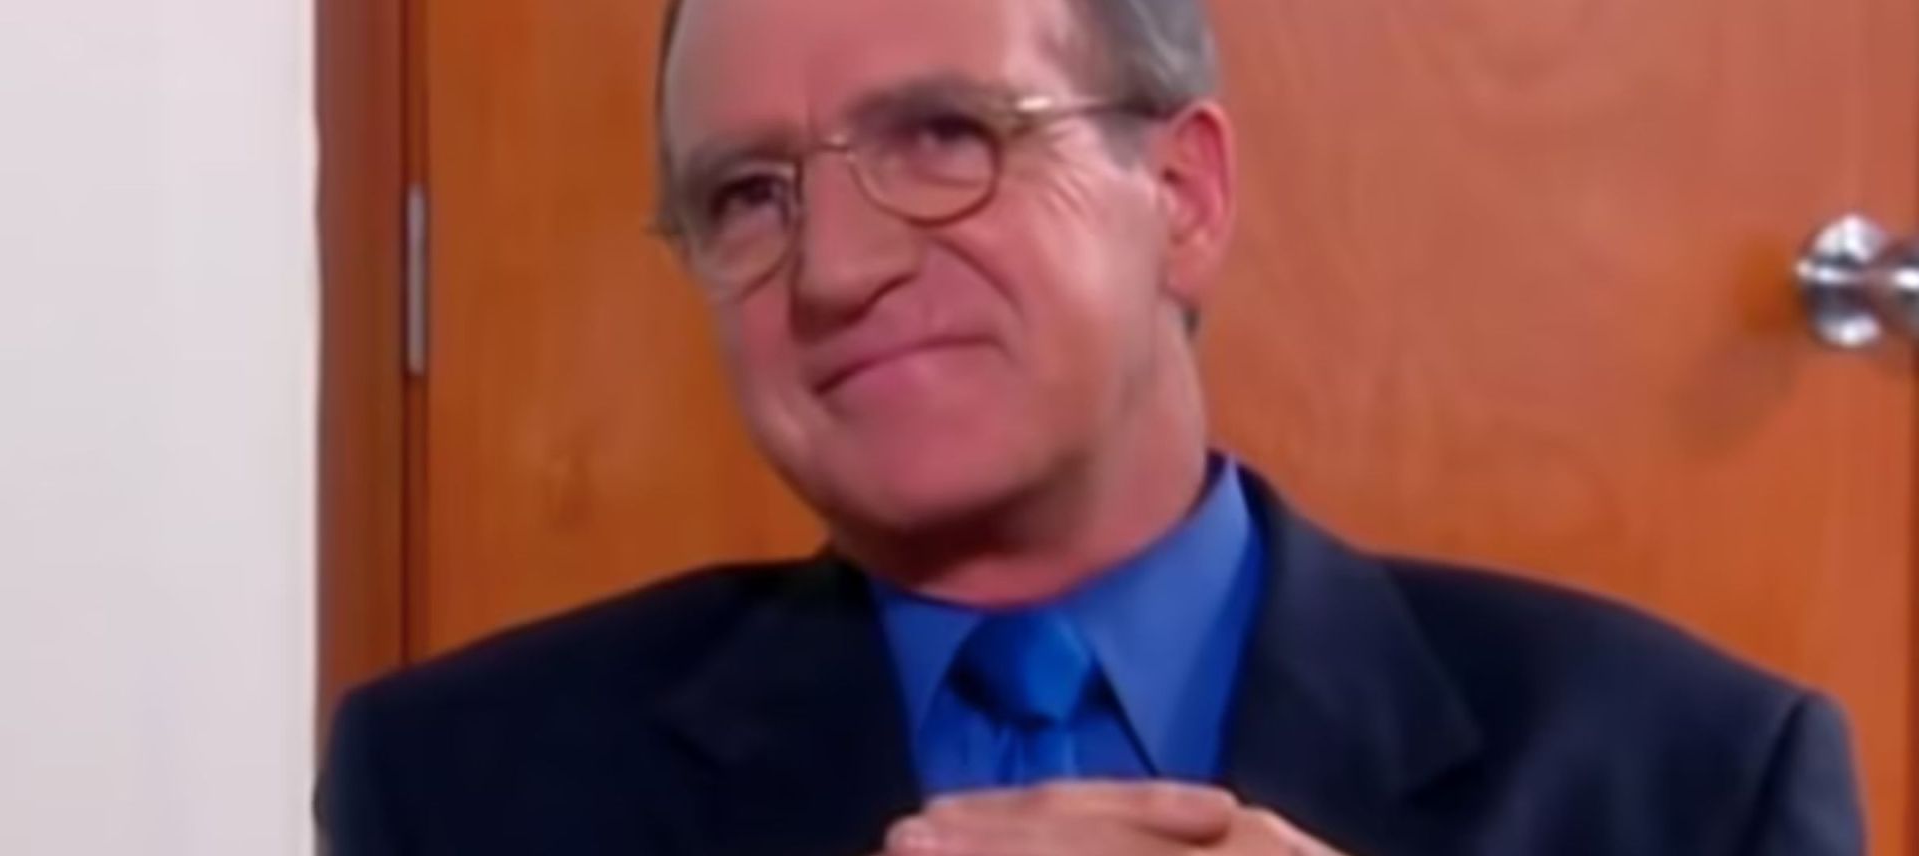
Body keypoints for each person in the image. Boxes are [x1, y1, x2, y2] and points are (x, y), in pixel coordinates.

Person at [319, 0, 1864, 853]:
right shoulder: (465, 789)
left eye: (946, 137)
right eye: (747, 195)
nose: (837, 267)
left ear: (1181, 197)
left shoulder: (1686, 781)